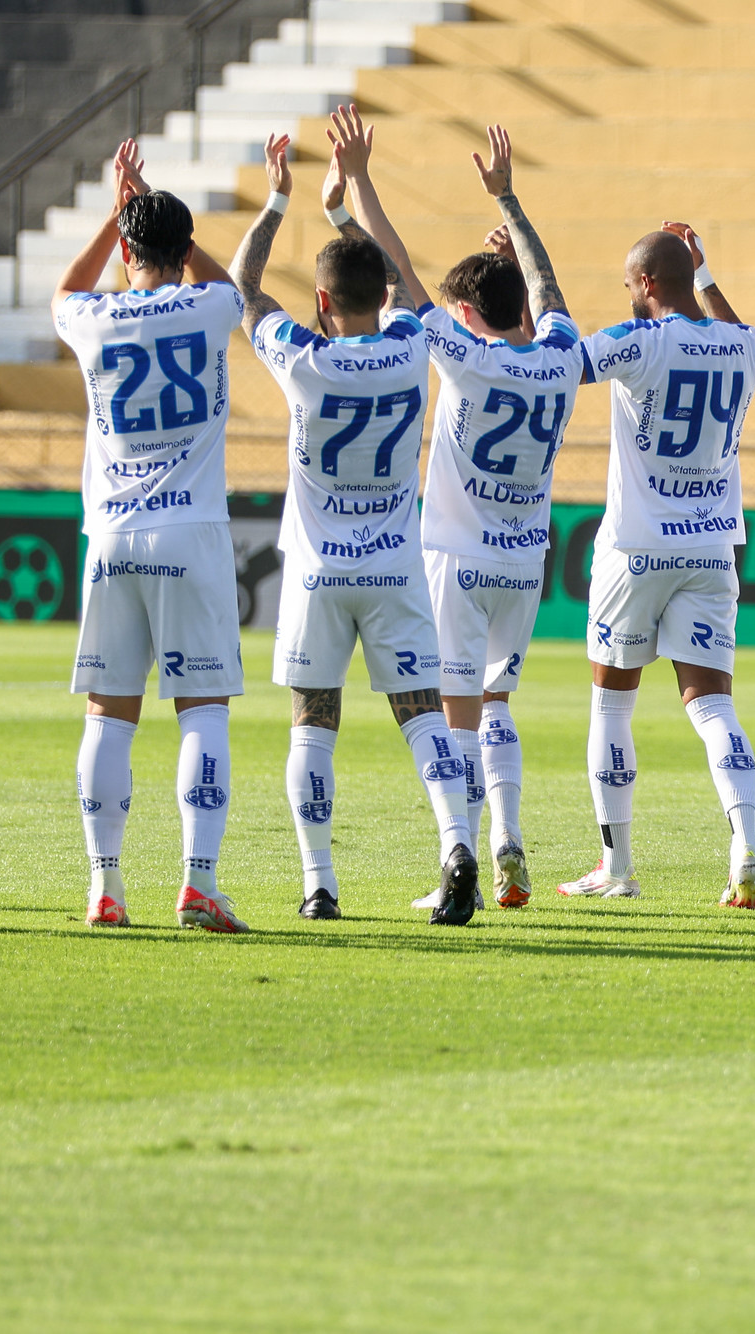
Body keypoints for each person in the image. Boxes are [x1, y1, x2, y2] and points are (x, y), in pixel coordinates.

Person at [230, 104, 476, 927]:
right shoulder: (413, 346)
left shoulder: (303, 358)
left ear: (324, 300)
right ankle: (455, 844)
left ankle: (319, 883)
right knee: (421, 717)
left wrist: (277, 202)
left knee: (313, 723)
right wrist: (353, 192)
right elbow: (408, 277)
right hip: (396, 567)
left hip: (317, 570)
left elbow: (241, 291)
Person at [54, 139, 248, 932]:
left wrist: (116, 217)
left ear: (128, 251)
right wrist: (163, 226)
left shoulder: (94, 317)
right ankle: (198, 882)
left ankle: (106, 887)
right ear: (183, 246)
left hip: (112, 535)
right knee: (202, 709)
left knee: (109, 714)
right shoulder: (209, 306)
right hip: (191, 530)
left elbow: (66, 287)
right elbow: (230, 285)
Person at [393, 124, 581, 911]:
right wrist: (510, 201)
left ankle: (459, 863)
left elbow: (399, 283)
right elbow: (552, 299)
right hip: (523, 565)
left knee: (454, 717)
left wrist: (352, 199)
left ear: (466, 314)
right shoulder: (562, 359)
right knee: (496, 706)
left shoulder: (464, 357)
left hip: (456, 562)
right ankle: (507, 840)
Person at [561, 218, 755, 905]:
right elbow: (747, 342)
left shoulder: (637, 339)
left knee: (610, 708)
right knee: (714, 706)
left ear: (647, 284)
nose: (626, 295)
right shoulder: (745, 347)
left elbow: (569, 361)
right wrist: (705, 275)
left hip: (636, 549)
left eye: (629, 284)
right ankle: (745, 845)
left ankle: (615, 866)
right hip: (712, 548)